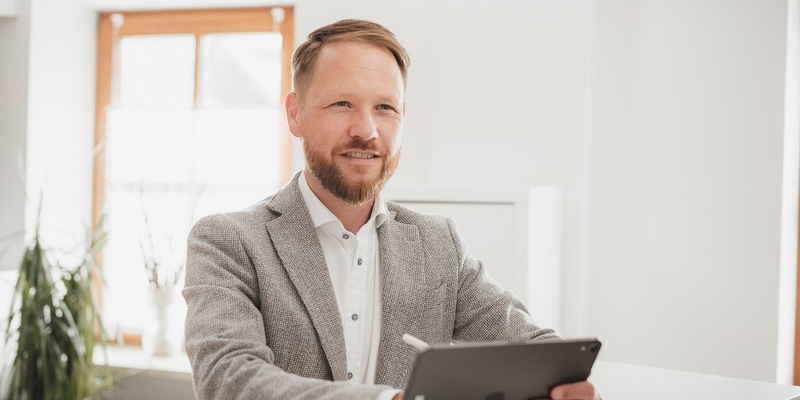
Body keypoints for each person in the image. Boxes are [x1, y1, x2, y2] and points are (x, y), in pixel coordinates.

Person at [183, 18, 601, 400]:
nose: (366, 130)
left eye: (385, 107)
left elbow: (533, 347)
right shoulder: (228, 241)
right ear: (295, 115)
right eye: (342, 103)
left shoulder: (439, 244)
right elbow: (228, 378)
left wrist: (566, 385)